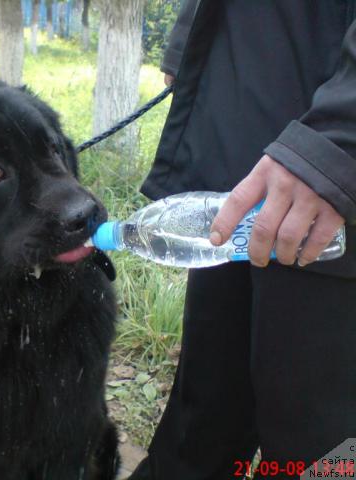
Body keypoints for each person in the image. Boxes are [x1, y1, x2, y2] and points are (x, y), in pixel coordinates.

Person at [129, 2, 356, 479]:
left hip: (331, 180)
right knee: (206, 409)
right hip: (238, 143)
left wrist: (340, 137)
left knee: (321, 449)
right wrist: (191, 41)